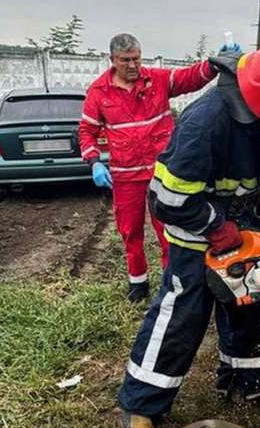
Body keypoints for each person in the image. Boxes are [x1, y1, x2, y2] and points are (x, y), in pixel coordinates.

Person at [117, 40, 260, 428]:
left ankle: (247, 384)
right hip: (196, 237)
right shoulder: (205, 123)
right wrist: (215, 227)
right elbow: (168, 199)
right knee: (184, 314)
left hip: (246, 229)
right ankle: (141, 406)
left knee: (252, 304)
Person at [79, 33, 221, 303]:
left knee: (169, 229)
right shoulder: (99, 92)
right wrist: (94, 161)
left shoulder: (157, 80)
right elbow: (86, 130)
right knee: (130, 231)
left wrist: (214, 64)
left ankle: (172, 281)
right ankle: (138, 283)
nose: (133, 66)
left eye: (136, 59)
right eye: (125, 61)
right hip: (125, 176)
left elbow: (188, 78)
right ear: (112, 60)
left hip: (160, 173)